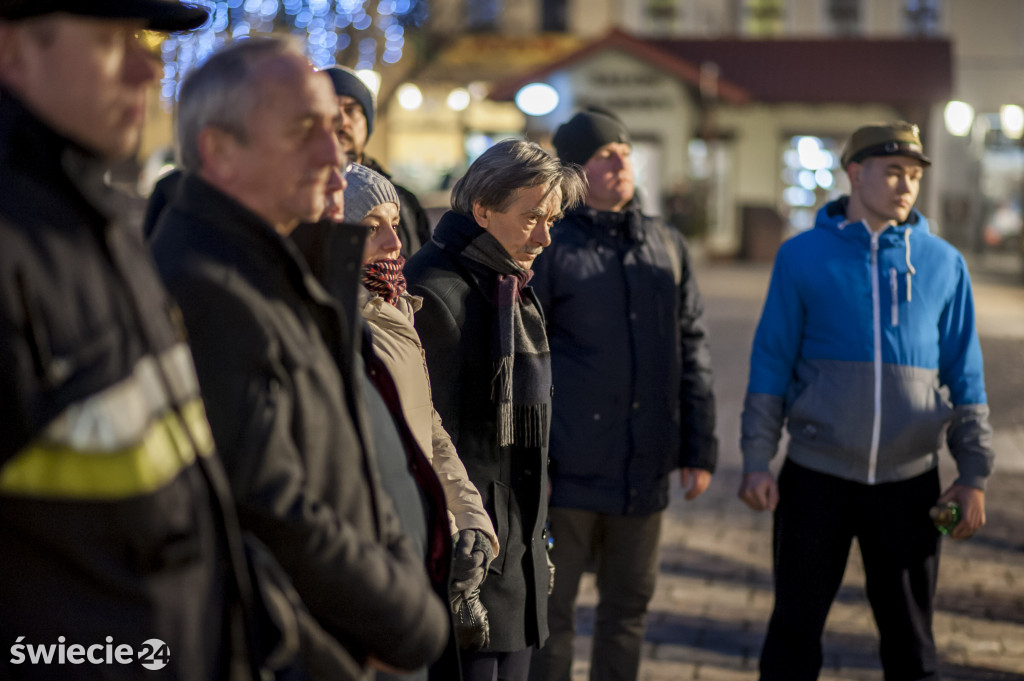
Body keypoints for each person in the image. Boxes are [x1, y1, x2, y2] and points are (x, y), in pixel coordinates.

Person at [149, 36, 448, 677]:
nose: (333, 153)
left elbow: (364, 455)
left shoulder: (293, 268)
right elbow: (270, 507)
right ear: (219, 150)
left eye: (335, 128)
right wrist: (405, 613)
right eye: (302, 131)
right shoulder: (207, 287)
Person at [738, 121, 994, 681]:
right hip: (816, 478)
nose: (906, 185)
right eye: (893, 171)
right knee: (793, 637)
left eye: (914, 174)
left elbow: (965, 376)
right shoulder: (801, 257)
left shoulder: (944, 264)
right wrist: (757, 460)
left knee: (910, 642)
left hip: (909, 484)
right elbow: (771, 364)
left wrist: (972, 473)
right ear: (855, 173)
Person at [529, 108, 718, 681]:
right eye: (604, 155)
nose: (620, 162)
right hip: (569, 472)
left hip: (644, 468)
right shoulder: (550, 247)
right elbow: (525, 357)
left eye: (625, 152)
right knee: (551, 616)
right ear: (574, 173)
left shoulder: (665, 244)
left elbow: (692, 348)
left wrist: (698, 445)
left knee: (627, 612)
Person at [404, 139, 587, 681]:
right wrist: (467, 552)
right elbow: (424, 443)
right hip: (468, 558)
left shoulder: (506, 281)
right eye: (532, 218)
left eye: (551, 219)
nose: (545, 237)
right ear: (482, 209)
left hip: (518, 556)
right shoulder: (434, 292)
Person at [342, 163, 502, 661]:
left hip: (423, 543)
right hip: (382, 559)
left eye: (393, 223)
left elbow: (426, 427)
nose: (394, 243)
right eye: (371, 228)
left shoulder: (394, 307)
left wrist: (471, 519)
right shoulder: (344, 323)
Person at [323, 65, 432, 256]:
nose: (341, 121)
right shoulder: (302, 198)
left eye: (351, 110)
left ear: (367, 123)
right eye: (329, 109)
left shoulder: (404, 201)